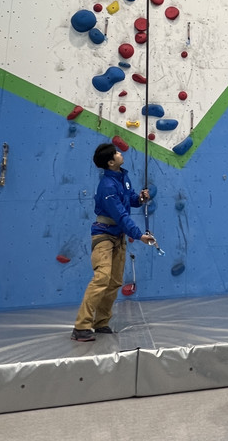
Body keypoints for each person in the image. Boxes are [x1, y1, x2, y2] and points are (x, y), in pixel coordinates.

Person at [70, 143, 156, 341]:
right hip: (104, 236)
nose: (120, 153)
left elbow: (129, 199)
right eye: (116, 153)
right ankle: (81, 326)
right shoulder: (107, 186)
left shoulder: (122, 177)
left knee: (115, 281)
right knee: (102, 278)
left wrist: (140, 199)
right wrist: (139, 235)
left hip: (118, 237)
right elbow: (120, 215)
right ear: (110, 162)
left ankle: (101, 323)